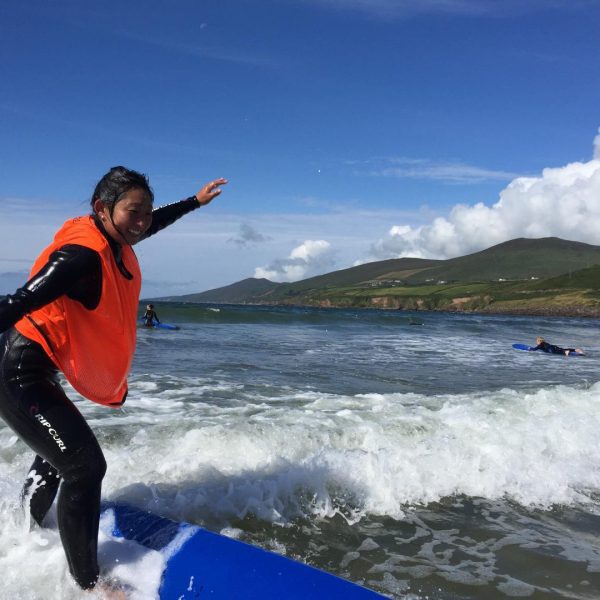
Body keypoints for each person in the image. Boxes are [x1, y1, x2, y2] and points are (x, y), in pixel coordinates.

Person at [0, 166, 226, 594]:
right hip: (17, 371)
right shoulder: (80, 256)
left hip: (41, 369)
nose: (141, 222)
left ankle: (22, 531)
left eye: (145, 212)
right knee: (85, 466)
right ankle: (88, 582)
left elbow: (152, 222)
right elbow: (18, 303)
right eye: (132, 212)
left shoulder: (117, 235)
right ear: (102, 209)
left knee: (56, 456)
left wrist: (194, 202)